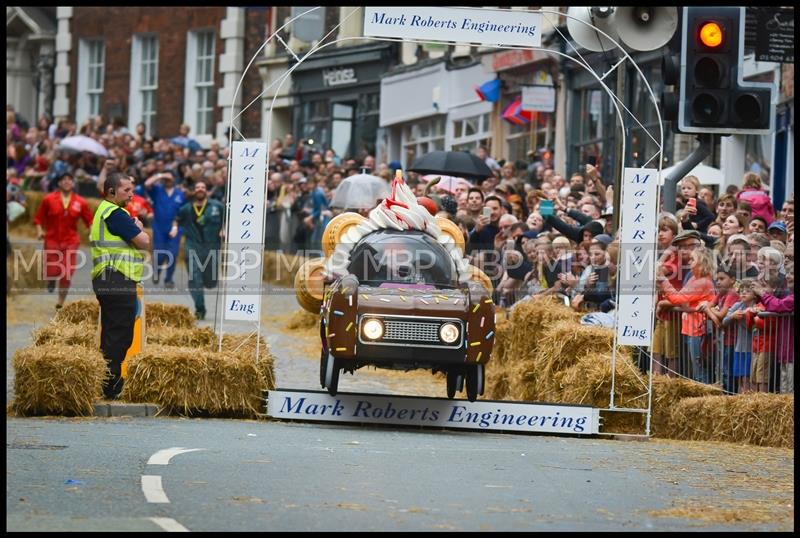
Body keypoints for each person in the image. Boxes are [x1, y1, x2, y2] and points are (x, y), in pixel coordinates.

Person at [90, 172, 150, 399]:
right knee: (120, 333)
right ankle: (111, 383)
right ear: (112, 191)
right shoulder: (115, 213)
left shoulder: (104, 211)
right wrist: (139, 227)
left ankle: (107, 378)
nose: (132, 195)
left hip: (109, 278)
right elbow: (144, 242)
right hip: (116, 278)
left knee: (112, 331)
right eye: (127, 191)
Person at [33, 172, 93, 310]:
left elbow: (90, 220)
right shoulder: (48, 199)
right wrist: (39, 231)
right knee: (53, 270)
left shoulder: (81, 202)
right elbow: (38, 218)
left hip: (71, 241)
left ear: (73, 183)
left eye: (69, 180)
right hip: (52, 240)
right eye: (63, 179)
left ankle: (60, 302)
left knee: (66, 274)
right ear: (59, 183)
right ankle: (51, 280)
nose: (67, 182)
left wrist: (91, 230)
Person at [657, 246, 716, 384]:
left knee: (699, 370)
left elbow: (678, 299)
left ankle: (705, 398)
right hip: (691, 329)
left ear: (702, 262)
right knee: (696, 370)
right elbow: (680, 300)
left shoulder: (702, 281)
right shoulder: (694, 279)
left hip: (698, 330)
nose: (689, 263)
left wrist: (663, 280)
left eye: (692, 260)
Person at [171, 180, 224, 320]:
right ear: (194, 191)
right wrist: (175, 227)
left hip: (212, 246)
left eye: (203, 187)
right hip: (192, 246)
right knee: (195, 278)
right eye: (197, 187)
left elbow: (228, 219)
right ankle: (200, 309)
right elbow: (176, 219)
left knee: (211, 282)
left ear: (207, 191)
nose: (200, 189)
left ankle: (206, 284)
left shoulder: (217, 206)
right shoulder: (186, 208)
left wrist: (224, 228)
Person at [700, 266, 740, 394]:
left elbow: (721, 315)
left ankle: (730, 395)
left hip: (733, 339)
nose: (718, 282)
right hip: (724, 338)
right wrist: (713, 315)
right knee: (723, 369)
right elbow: (710, 307)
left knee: (728, 370)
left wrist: (710, 312)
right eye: (717, 279)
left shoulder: (732, 293)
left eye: (722, 279)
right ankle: (726, 394)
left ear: (733, 280)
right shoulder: (721, 294)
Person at [144, 170, 186, 287]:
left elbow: (183, 212)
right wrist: (160, 174)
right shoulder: (157, 190)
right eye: (165, 179)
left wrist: (176, 225)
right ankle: (156, 272)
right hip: (159, 227)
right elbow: (147, 184)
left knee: (172, 254)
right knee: (160, 255)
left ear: (174, 179)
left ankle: (169, 279)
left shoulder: (180, 194)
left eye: (170, 178)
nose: (167, 180)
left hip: (175, 227)